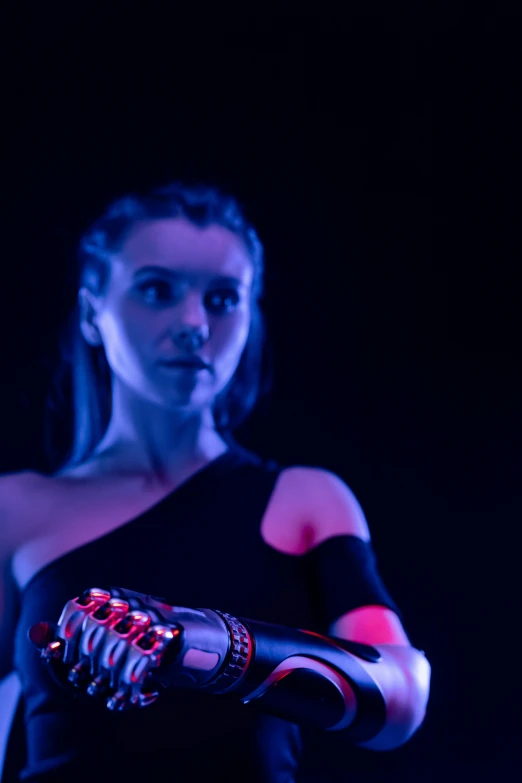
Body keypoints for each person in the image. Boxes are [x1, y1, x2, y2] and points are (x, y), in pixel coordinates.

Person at [0, 182, 430, 782]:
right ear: (94, 312)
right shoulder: (14, 510)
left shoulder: (305, 500)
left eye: (224, 298)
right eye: (156, 290)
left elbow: (403, 695)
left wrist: (200, 644)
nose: (194, 324)